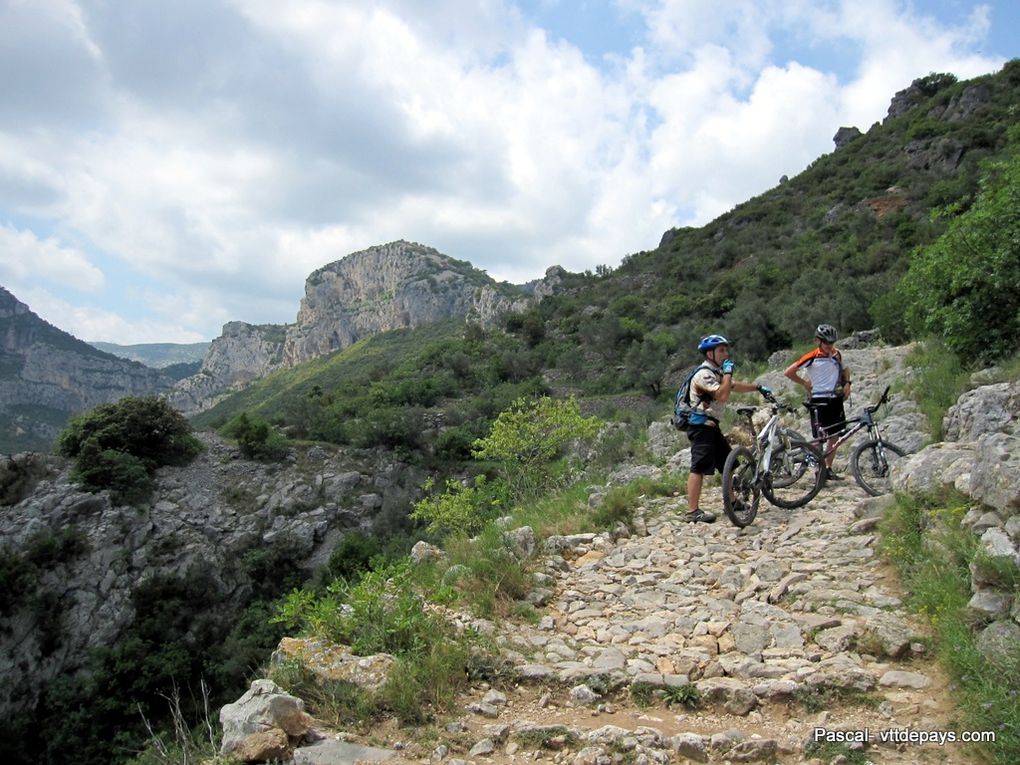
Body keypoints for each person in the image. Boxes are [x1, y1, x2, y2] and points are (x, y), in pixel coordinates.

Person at [684, 334, 769, 523]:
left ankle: (731, 501)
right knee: (698, 467)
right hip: (700, 426)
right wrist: (729, 372)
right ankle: (692, 511)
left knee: (727, 463)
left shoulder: (716, 372)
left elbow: (733, 386)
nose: (726, 353)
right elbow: (723, 394)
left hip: (711, 425)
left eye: (726, 349)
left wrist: (758, 387)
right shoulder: (703, 374)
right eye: (721, 350)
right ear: (710, 353)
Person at [783, 324, 851, 480]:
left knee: (835, 435)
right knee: (819, 437)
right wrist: (804, 383)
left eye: (832, 343)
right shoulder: (812, 356)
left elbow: (845, 369)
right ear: (818, 341)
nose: (829, 346)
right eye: (826, 343)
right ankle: (818, 470)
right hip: (818, 399)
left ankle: (827, 468)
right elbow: (788, 372)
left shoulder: (837, 355)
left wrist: (847, 383)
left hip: (835, 398)